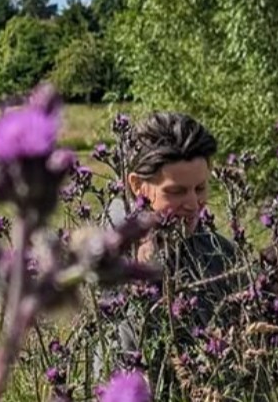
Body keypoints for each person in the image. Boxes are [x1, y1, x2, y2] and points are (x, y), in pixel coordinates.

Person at [99, 112, 242, 378]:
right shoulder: (109, 252)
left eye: (200, 188)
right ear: (138, 186)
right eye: (176, 191)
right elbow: (118, 361)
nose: (192, 203)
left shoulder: (223, 256)